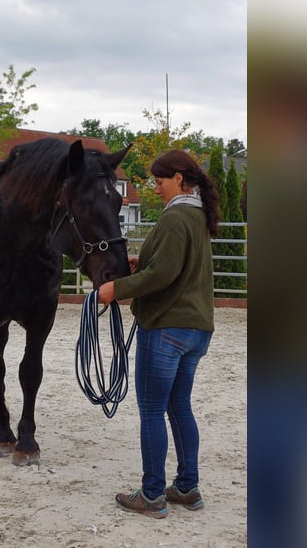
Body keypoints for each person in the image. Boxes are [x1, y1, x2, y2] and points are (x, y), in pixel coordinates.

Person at [97, 149, 219, 519]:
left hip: (167, 328)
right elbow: (173, 266)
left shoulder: (175, 217)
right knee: (179, 407)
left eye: (160, 181)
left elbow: (163, 275)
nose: (156, 188)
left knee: (151, 411)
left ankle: (152, 495)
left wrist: (116, 289)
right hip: (196, 329)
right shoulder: (196, 216)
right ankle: (186, 487)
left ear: (179, 178)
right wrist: (141, 264)